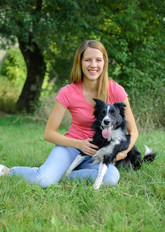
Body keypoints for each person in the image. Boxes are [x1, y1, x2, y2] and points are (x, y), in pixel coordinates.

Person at [0, 40, 138, 188]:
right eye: (87, 60)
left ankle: (60, 174)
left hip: (100, 152)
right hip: (71, 147)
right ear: (80, 62)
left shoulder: (116, 90)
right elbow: (49, 133)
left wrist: (124, 153)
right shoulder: (67, 92)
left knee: (111, 177)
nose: (93, 65)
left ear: (104, 62)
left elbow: (133, 131)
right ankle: (7, 171)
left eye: (98, 60)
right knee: (43, 180)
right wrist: (78, 143)